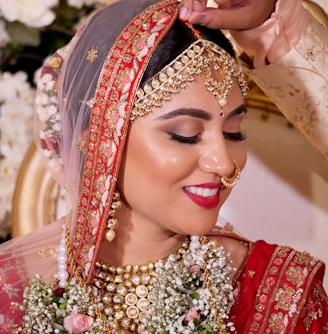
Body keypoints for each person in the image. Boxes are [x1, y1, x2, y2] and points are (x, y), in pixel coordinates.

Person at [0, 0, 327, 333]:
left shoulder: (279, 294)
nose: (224, 162)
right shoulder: (11, 293)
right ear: (99, 141)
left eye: (234, 132)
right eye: (184, 135)